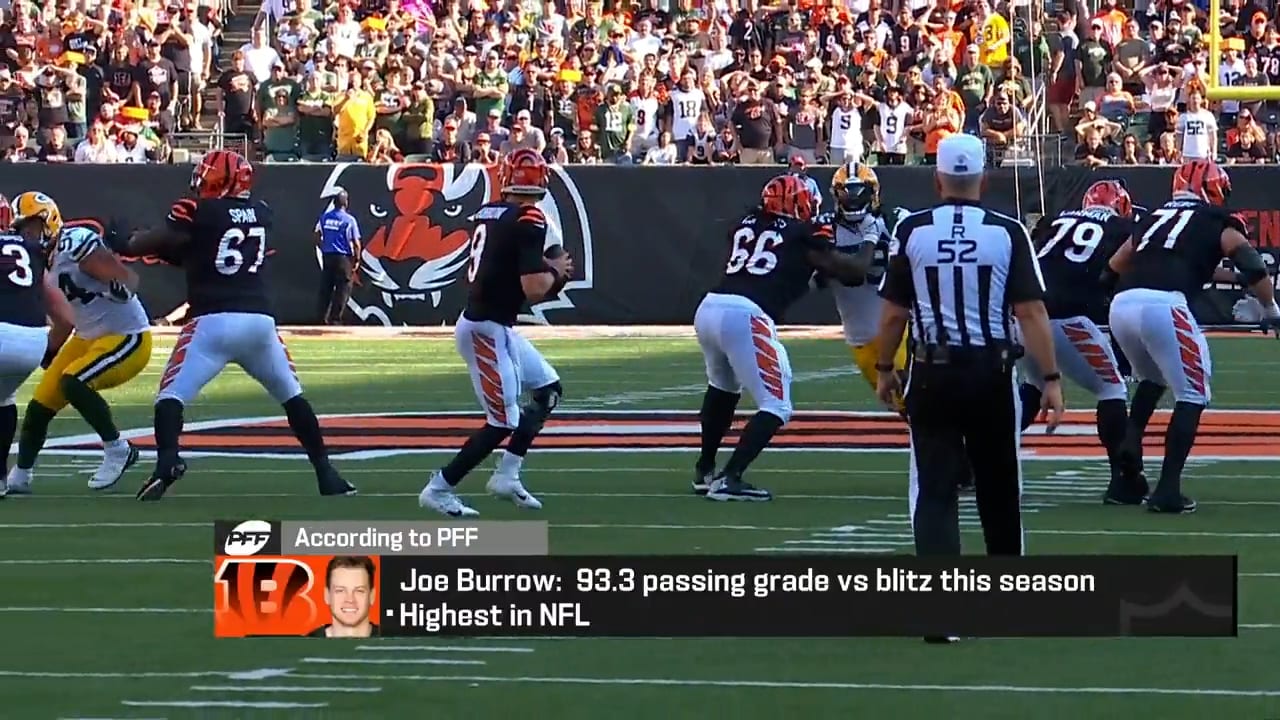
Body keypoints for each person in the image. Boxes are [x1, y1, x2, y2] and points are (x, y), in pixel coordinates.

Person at [875, 134, 1064, 581]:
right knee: (999, 487)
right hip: (990, 373)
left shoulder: (912, 229)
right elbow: (1032, 311)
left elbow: (892, 315)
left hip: (931, 372)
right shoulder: (1007, 231)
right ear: (983, 179)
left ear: (937, 179)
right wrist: (1051, 378)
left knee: (935, 491)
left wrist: (885, 369)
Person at [127, 149, 357, 501]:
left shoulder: (197, 210)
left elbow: (163, 241)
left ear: (222, 178)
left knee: (170, 397)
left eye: (207, 175)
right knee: (293, 397)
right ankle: (327, 473)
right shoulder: (262, 212)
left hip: (212, 320)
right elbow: (199, 249)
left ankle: (168, 462)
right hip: (260, 321)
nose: (201, 181)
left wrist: (125, 242)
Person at [1106, 159, 1280, 514]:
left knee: (1152, 377)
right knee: (1193, 392)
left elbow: (1117, 264)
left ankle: (1129, 450)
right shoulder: (1215, 220)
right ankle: (1167, 489)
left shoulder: (1154, 218)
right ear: (1211, 188)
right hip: (1164, 305)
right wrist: (1271, 309)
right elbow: (1252, 263)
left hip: (1123, 303)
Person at [691, 174, 869, 501]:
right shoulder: (804, 232)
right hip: (746, 313)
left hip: (710, 306)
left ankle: (705, 469)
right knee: (777, 404)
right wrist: (869, 242)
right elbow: (851, 272)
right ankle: (731, 477)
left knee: (723, 387)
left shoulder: (744, 222)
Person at [418, 148, 572, 518]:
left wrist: (545, 267)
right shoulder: (530, 218)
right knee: (504, 420)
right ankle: (439, 488)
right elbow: (534, 287)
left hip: (494, 324)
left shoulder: (492, 211)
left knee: (548, 390)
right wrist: (555, 271)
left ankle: (507, 475)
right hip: (486, 329)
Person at [1017, 180, 1147, 505]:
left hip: (1020, 316)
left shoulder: (1055, 221)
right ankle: (1123, 480)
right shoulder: (1121, 226)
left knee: (1033, 383)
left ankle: (973, 461)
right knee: (1111, 389)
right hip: (1065, 316)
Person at [7, 219, 152, 495]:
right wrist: (49, 352)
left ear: (48, 220)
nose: (27, 235)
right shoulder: (39, 264)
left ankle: (117, 449)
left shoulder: (72, 243)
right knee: (40, 405)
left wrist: (120, 286)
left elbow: (127, 280)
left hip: (127, 336)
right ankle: (21, 474)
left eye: (31, 228)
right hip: (86, 337)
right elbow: (64, 321)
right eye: (22, 231)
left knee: (73, 382)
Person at [0, 193, 74, 495]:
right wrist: (47, 351)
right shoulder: (31, 251)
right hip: (31, 339)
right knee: (3, 400)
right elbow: (66, 318)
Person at [824, 162, 910, 414]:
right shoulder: (826, 228)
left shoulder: (895, 220)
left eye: (859, 193)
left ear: (873, 193)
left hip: (898, 329)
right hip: (858, 337)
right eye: (846, 193)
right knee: (900, 406)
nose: (852, 200)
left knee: (917, 400)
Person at [314, 190, 361, 325]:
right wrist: (356, 260)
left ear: (334, 203)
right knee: (343, 288)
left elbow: (316, 234)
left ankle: (320, 319)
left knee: (326, 288)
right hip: (343, 258)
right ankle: (335, 319)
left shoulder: (324, 217)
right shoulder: (349, 220)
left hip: (328, 256)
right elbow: (356, 243)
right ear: (346, 203)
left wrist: (323, 246)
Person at [306, 555, 380, 638]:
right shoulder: (304, 647)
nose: (350, 599)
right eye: (340, 591)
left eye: (359, 591)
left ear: (372, 596)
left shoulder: (394, 643)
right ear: (327, 595)